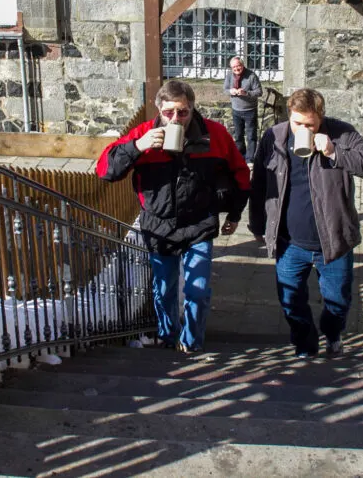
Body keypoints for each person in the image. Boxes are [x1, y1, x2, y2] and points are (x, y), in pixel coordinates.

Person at [97, 79, 250, 353]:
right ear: (159, 111)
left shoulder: (214, 135)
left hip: (199, 223)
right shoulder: (144, 133)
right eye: (169, 113)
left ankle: (191, 343)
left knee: (198, 290)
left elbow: (241, 173)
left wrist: (235, 213)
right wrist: (138, 147)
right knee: (164, 288)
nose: (176, 119)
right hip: (159, 225)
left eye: (183, 112)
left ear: (192, 109)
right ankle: (169, 336)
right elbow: (105, 169)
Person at [248, 88, 363, 358]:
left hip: (333, 241)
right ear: (290, 115)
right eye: (298, 122)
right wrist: (258, 226)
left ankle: (332, 333)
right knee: (290, 302)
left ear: (320, 118)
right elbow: (259, 186)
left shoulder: (341, 133)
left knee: (338, 302)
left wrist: (335, 152)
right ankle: (305, 344)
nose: (303, 129)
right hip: (289, 242)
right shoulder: (274, 137)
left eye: (309, 124)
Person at [223, 56, 263, 164]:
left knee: (251, 136)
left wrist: (246, 93)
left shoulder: (251, 75)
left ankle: (250, 160)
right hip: (236, 110)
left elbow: (259, 92)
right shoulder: (229, 76)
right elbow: (225, 89)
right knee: (238, 135)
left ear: (242, 65)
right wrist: (230, 91)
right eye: (234, 67)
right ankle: (240, 157)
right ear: (231, 68)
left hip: (250, 110)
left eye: (238, 66)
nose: (236, 68)